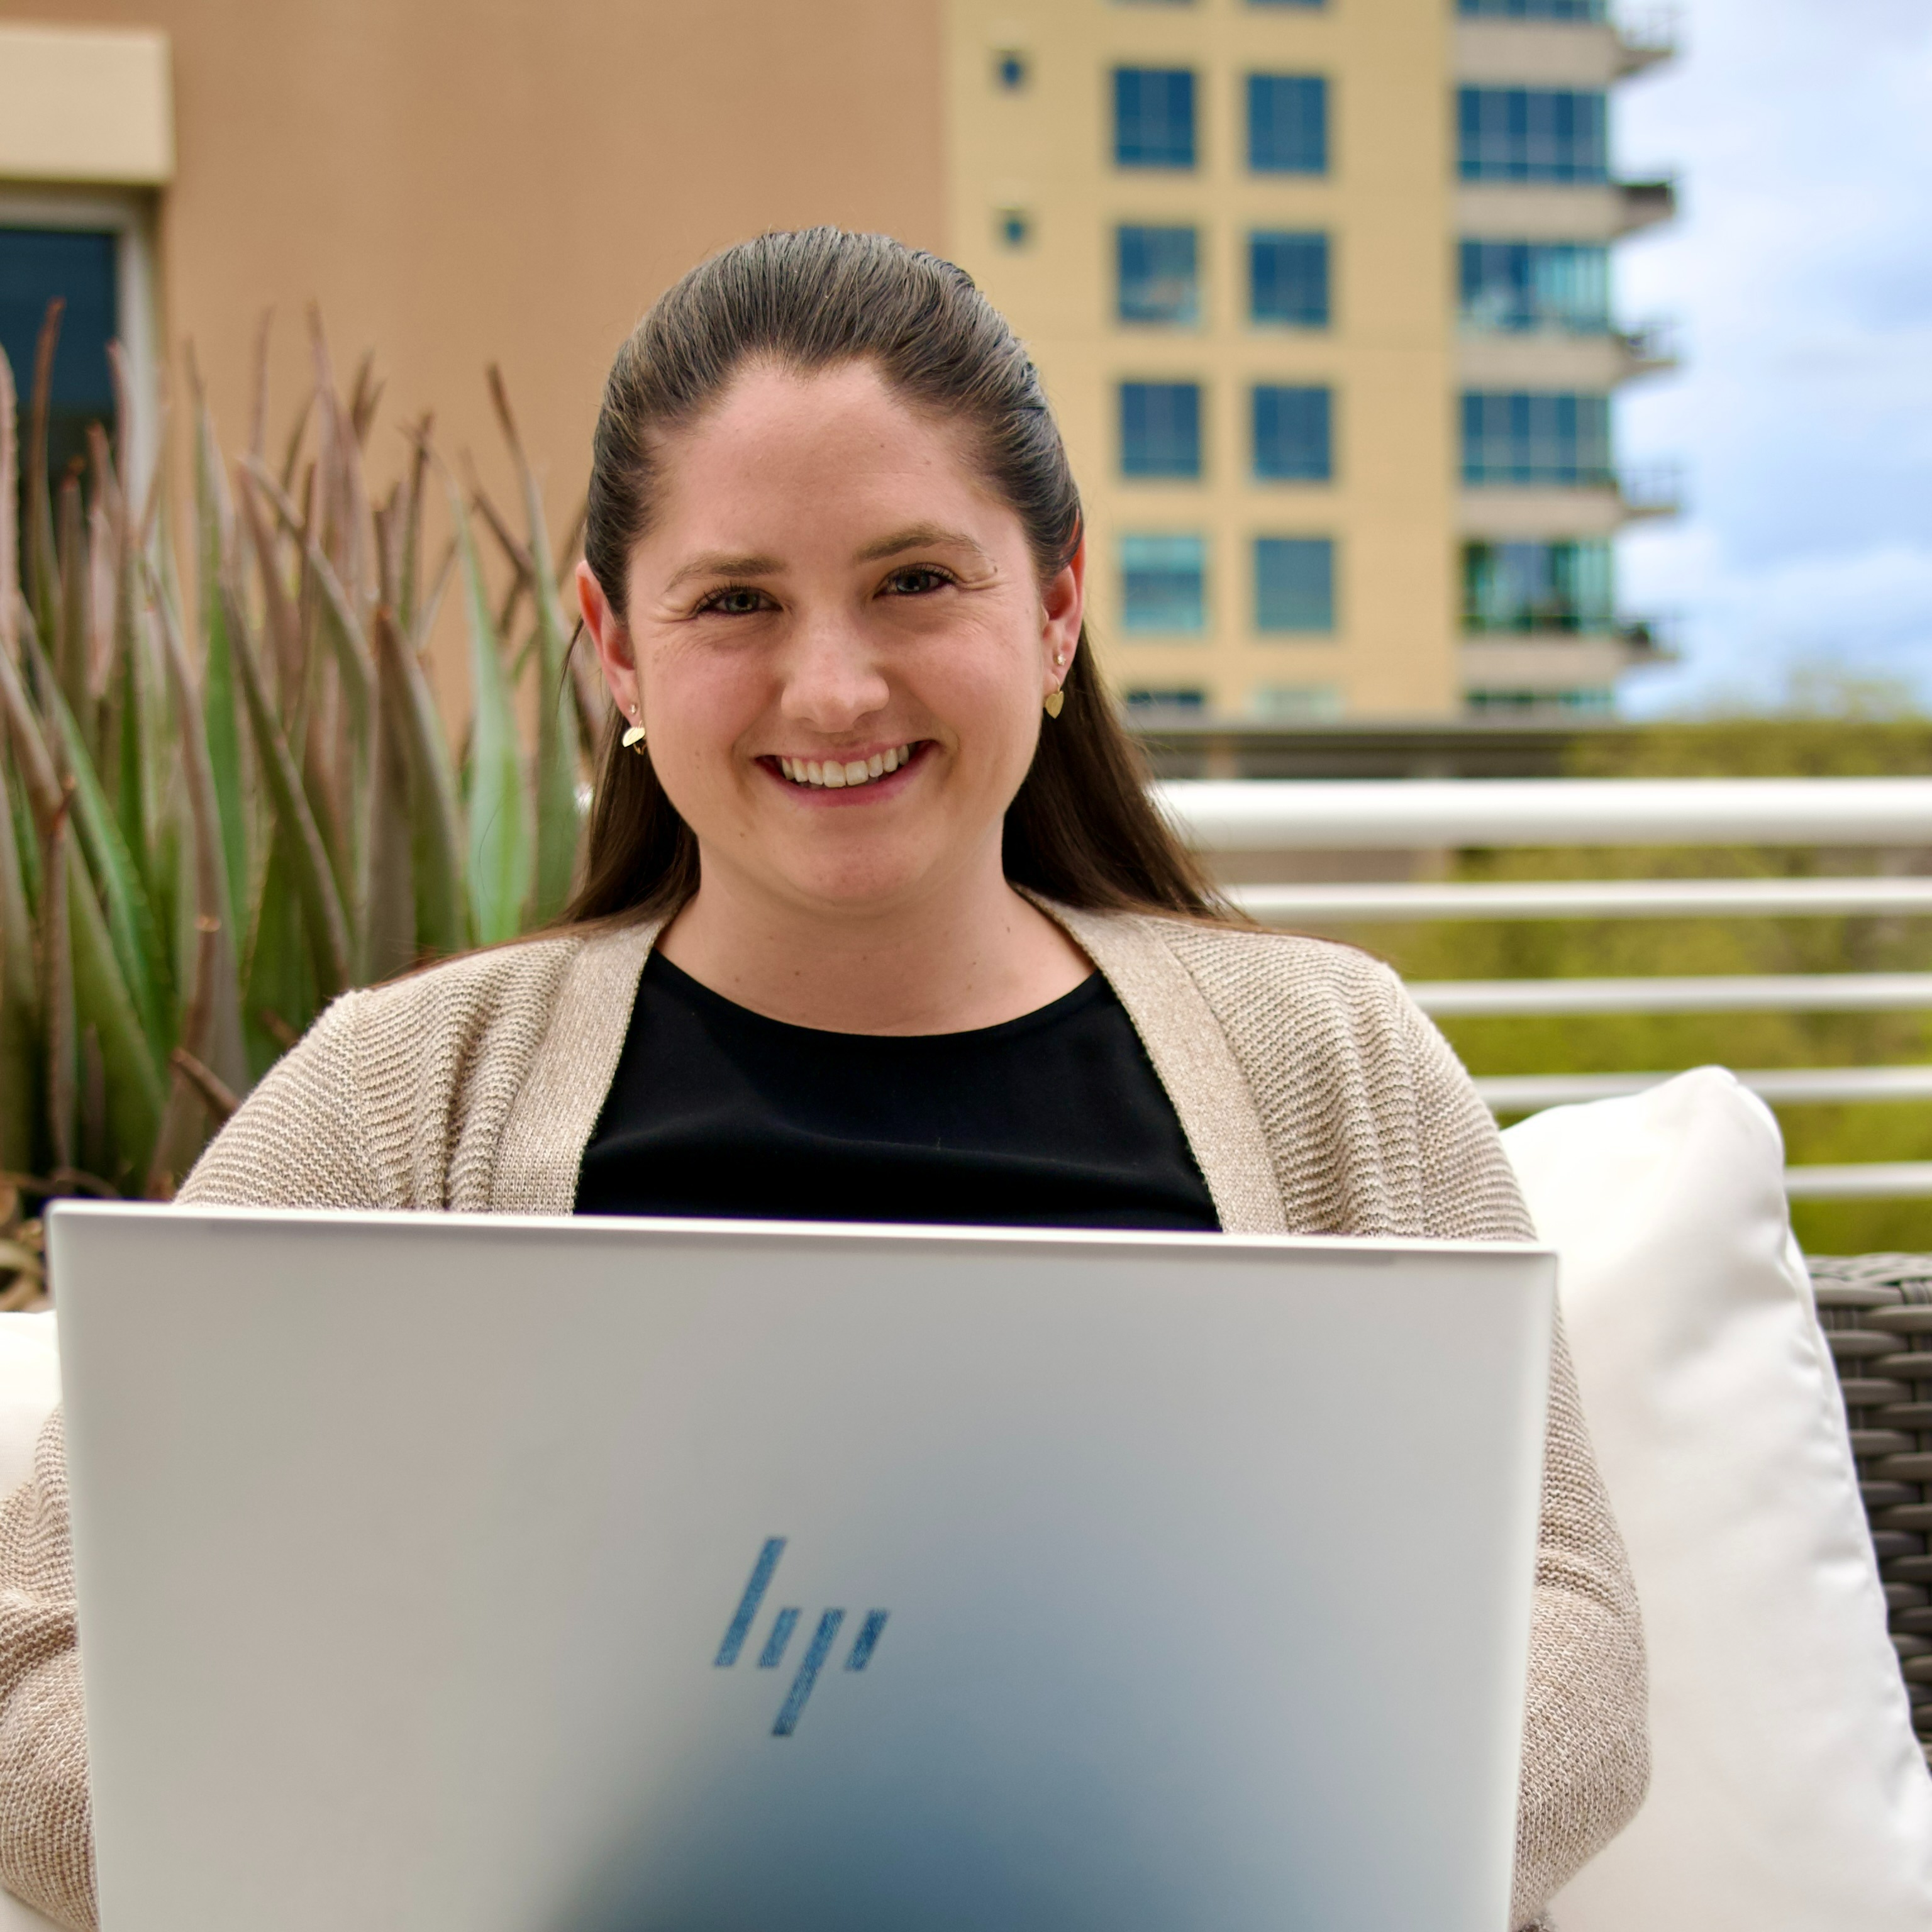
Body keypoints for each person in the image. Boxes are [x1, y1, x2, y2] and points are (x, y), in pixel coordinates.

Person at [0, 228, 1646, 1931]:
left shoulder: (1332, 1062)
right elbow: (30, 1658)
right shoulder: (397, 1101)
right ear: (617, 649)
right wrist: (393, 1873)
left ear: (1062, 600)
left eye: (917, 581)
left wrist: (1282, 1871)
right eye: (736, 603)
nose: (835, 685)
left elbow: (1567, 1611)